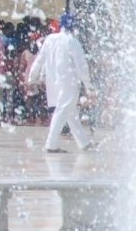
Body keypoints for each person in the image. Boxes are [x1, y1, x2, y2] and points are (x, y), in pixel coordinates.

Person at [30, 15, 93, 153]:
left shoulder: (50, 39)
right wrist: (89, 85)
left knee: (70, 112)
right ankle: (51, 144)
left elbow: (40, 59)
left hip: (52, 82)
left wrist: (32, 77)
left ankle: (84, 142)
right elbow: (82, 66)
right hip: (68, 82)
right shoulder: (73, 41)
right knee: (62, 111)